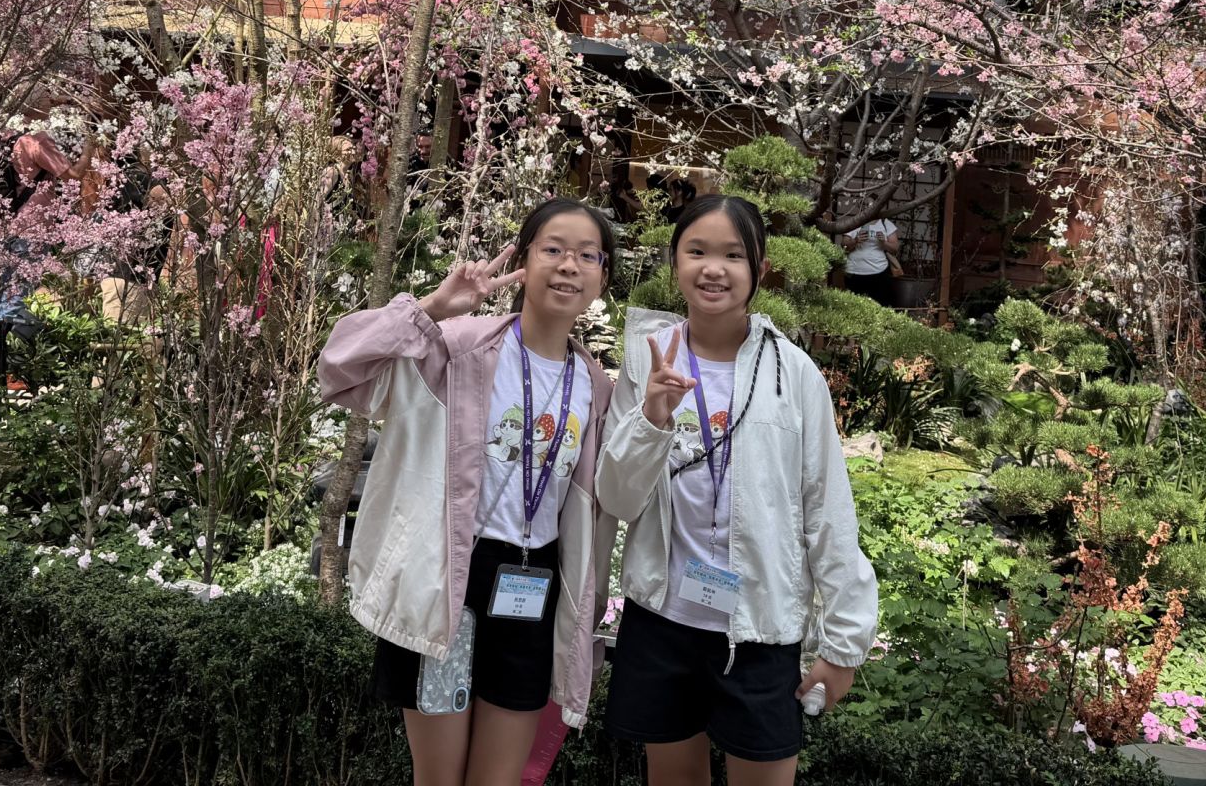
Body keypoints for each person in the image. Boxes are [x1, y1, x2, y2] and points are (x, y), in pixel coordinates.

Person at [317, 199, 618, 786]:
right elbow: (339, 369)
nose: (569, 265)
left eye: (588, 255)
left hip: (533, 584)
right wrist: (429, 309)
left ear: (602, 277)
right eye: (553, 249)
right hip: (449, 577)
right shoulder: (458, 348)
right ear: (524, 260)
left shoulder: (595, 388)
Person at [597, 195, 878, 786]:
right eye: (696, 251)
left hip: (760, 626)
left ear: (759, 268)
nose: (713, 269)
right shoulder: (648, 361)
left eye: (732, 255)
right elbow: (617, 499)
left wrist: (844, 642)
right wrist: (651, 418)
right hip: (664, 620)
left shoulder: (793, 373)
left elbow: (827, 509)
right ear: (675, 261)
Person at [839, 209, 899, 306]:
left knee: (880, 305)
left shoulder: (885, 223)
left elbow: (895, 249)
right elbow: (844, 246)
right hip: (854, 271)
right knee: (853, 306)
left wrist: (884, 242)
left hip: (879, 271)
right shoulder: (854, 222)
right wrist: (856, 240)